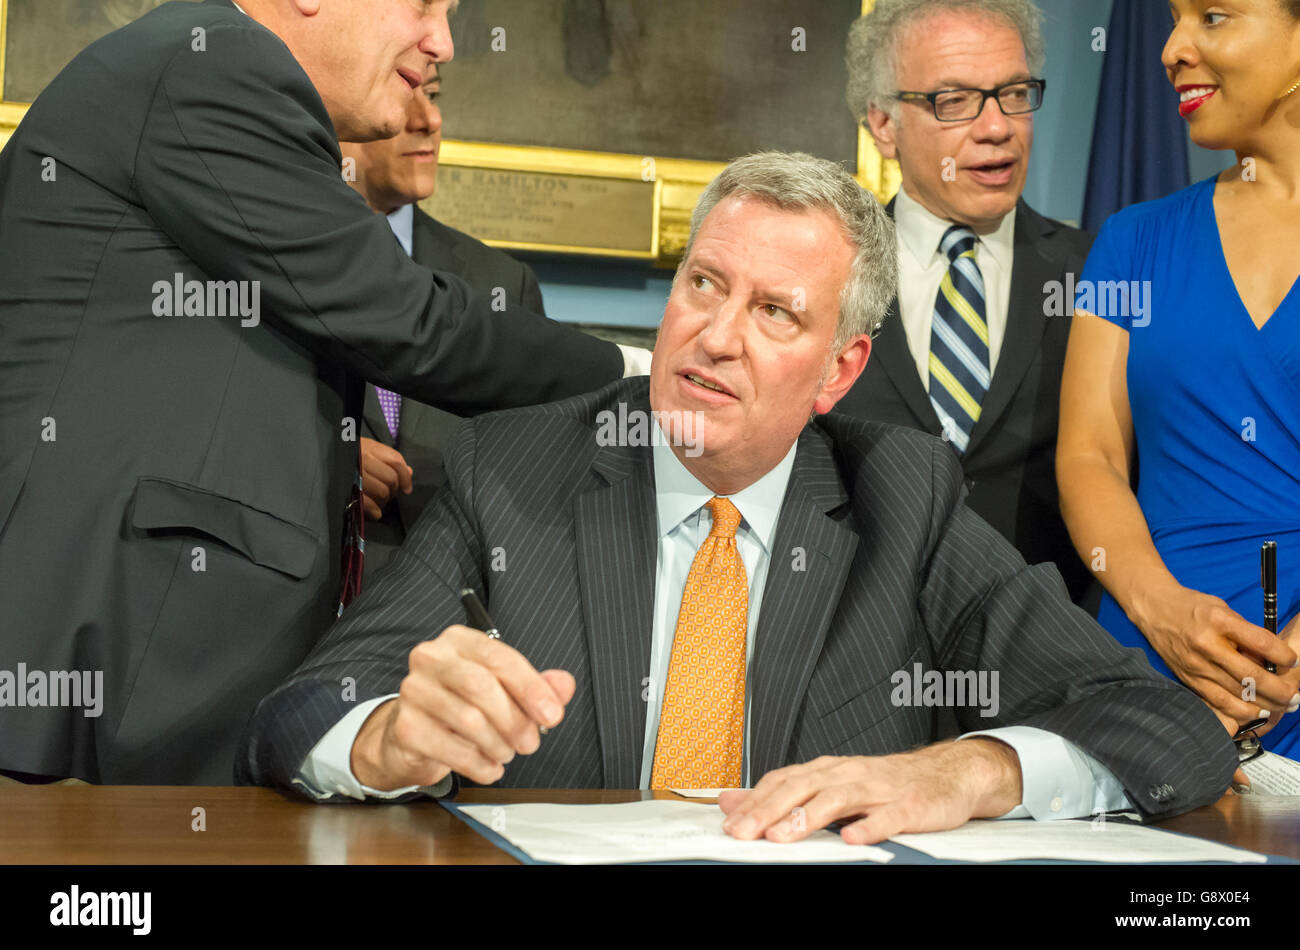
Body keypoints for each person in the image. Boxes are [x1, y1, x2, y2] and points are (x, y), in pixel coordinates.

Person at [240, 152, 1235, 843]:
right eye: (704, 286)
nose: (716, 336)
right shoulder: (515, 467)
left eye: (771, 312)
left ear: (839, 370)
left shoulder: (902, 497)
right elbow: (297, 715)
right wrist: (382, 738)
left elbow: (1164, 728)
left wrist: (963, 772)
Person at [0, 0, 638, 785]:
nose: (442, 39)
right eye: (423, 3)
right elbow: (407, 320)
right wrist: (639, 376)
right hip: (91, 688)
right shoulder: (218, 65)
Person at [1057, 0, 1300, 763]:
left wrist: (1287, 667)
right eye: (1174, 19)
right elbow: (1089, 453)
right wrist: (1162, 612)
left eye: (1214, 16)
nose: (1171, 48)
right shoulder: (1133, 239)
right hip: (1147, 669)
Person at [834, 0, 1096, 608]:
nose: (998, 127)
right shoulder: (827, 275)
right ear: (883, 123)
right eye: (954, 102)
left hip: (1048, 662)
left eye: (1013, 94)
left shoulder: (1098, 274)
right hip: (854, 660)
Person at [340, 61, 544, 575]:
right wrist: (321, 463)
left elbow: (533, 475)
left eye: (433, 95)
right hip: (303, 610)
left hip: (451, 609)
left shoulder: (502, 284)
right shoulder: (263, 265)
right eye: (406, 95)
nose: (429, 120)